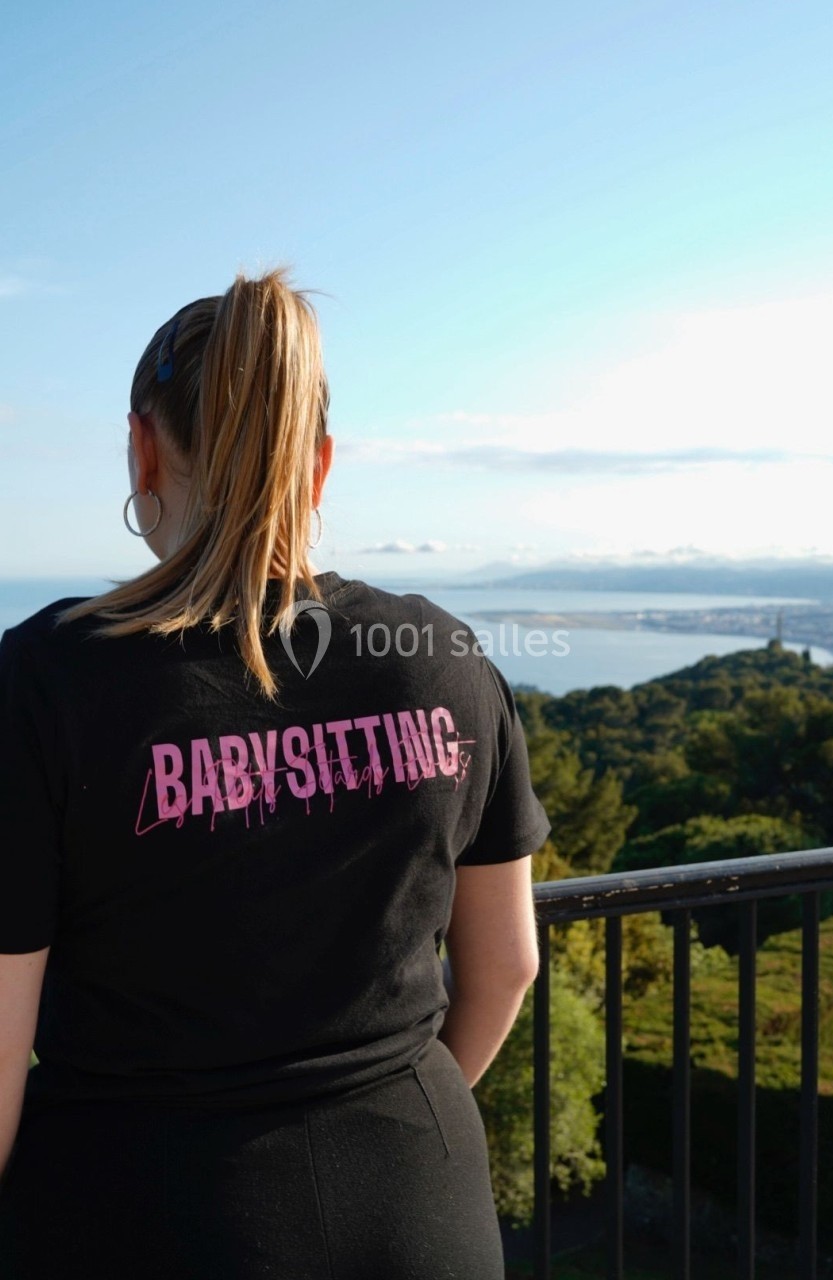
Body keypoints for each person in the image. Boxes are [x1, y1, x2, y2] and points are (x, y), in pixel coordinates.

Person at [0, 268, 551, 1279]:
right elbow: (506, 962)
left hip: (136, 1217)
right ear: (321, 464)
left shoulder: (44, 680)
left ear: (142, 447)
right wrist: (396, 1126)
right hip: (423, 1209)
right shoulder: (443, 656)